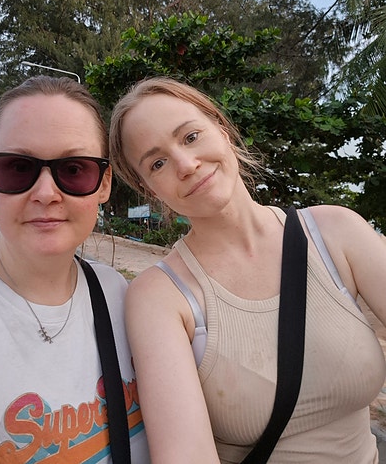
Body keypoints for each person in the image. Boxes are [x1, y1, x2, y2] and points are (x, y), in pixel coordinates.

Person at [109, 76, 386, 464]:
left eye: (191, 137)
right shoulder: (159, 296)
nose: (186, 165)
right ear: (149, 188)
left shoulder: (336, 232)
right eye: (158, 163)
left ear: (222, 131)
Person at [0, 76, 150, 463]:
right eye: (18, 168)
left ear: (104, 184)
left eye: (74, 169)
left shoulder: (121, 295)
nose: (46, 194)